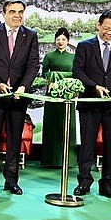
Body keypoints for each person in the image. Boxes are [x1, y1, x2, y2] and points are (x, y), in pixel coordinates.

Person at [0, 0, 39, 196]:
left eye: (20, 12)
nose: (17, 15)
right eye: (12, 12)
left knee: (14, 140)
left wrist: (23, 86)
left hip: (18, 98)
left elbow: (33, 65)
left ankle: (11, 180)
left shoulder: (30, 36)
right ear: (4, 14)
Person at [72, 10, 111, 199]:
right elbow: (78, 71)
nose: (110, 32)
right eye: (107, 28)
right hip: (90, 102)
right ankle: (84, 181)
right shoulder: (84, 46)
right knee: (87, 144)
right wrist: (94, 86)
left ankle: (106, 182)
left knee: (110, 145)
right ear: (98, 25)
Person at [41, 27, 76, 167]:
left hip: (68, 95)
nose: (60, 42)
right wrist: (53, 76)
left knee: (67, 124)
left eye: (63, 39)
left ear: (67, 41)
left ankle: (68, 160)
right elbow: (44, 74)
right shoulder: (49, 56)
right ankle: (49, 159)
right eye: (58, 39)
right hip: (52, 95)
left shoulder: (73, 57)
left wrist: (61, 77)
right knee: (52, 125)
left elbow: (76, 74)